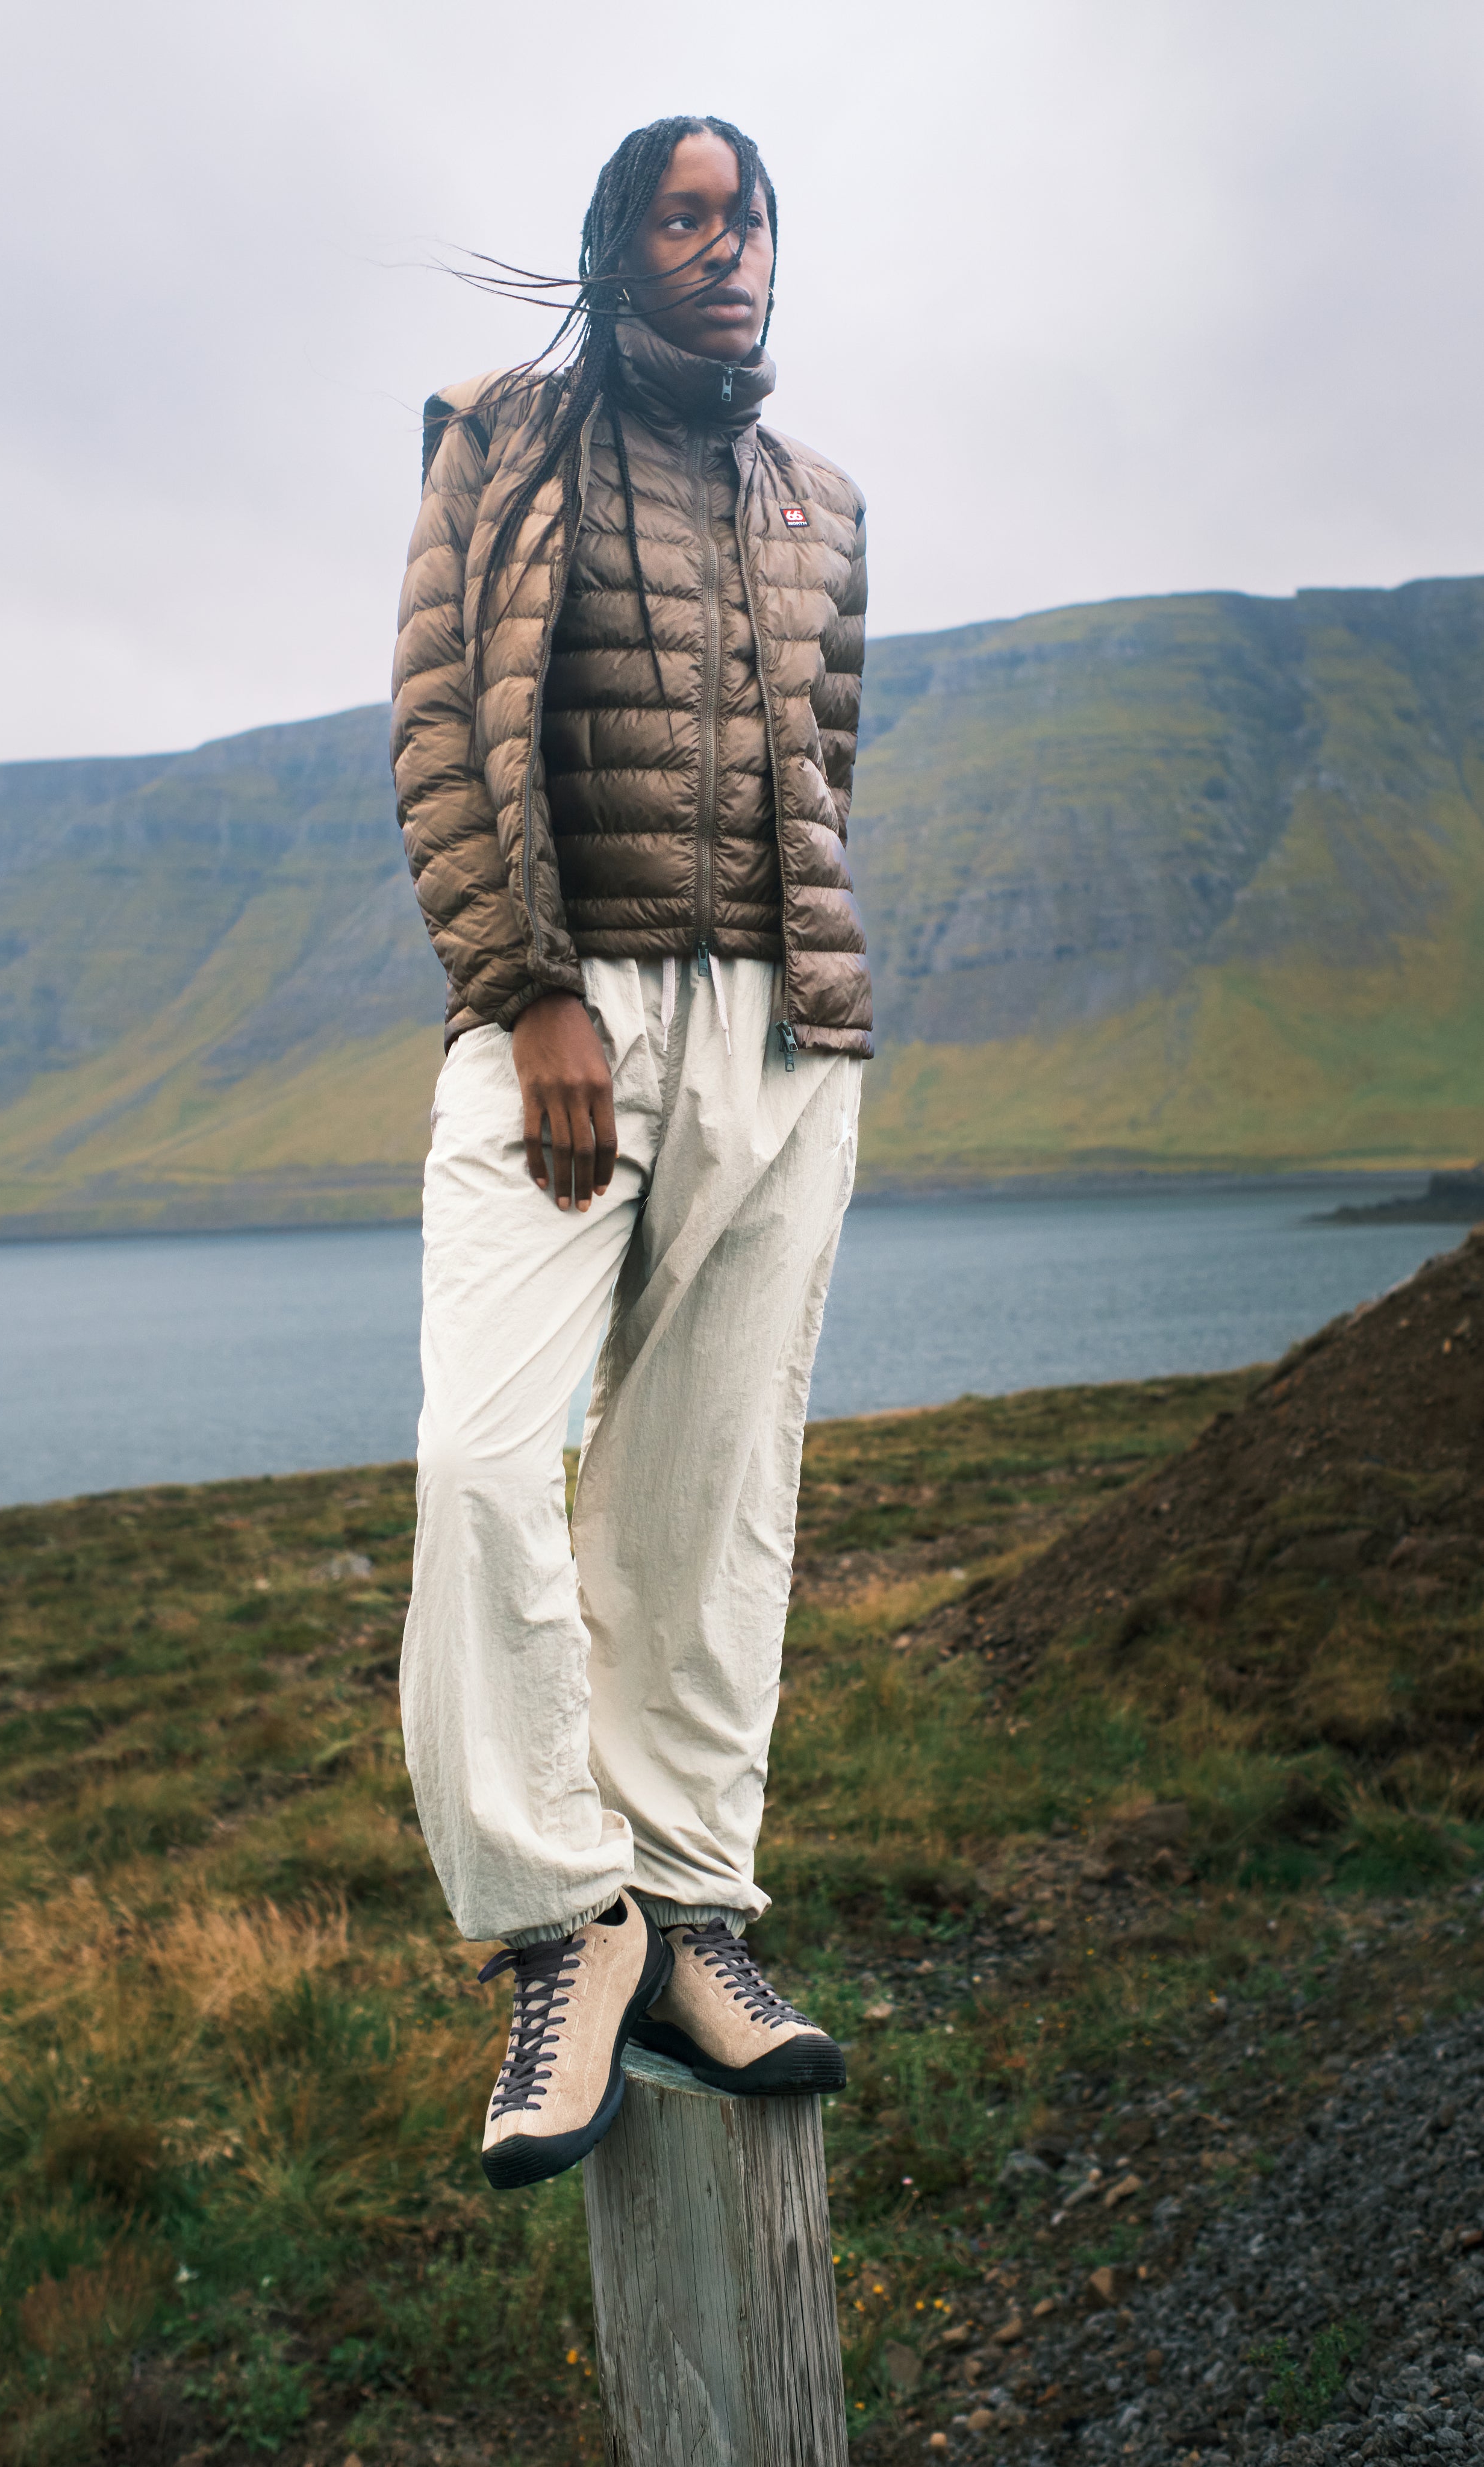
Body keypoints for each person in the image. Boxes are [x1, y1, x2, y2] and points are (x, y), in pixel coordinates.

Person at [391, 113, 873, 2190]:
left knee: (711, 1494)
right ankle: (559, 1925)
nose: (725, 245)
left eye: (746, 215)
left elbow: (823, 765)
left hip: (781, 1028)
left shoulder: (823, 500)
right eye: (683, 216)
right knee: (487, 1462)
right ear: (612, 246)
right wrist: (529, 990)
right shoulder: (500, 441)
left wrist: (786, 1008)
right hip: (561, 1017)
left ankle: (686, 1917)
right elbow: (439, 730)